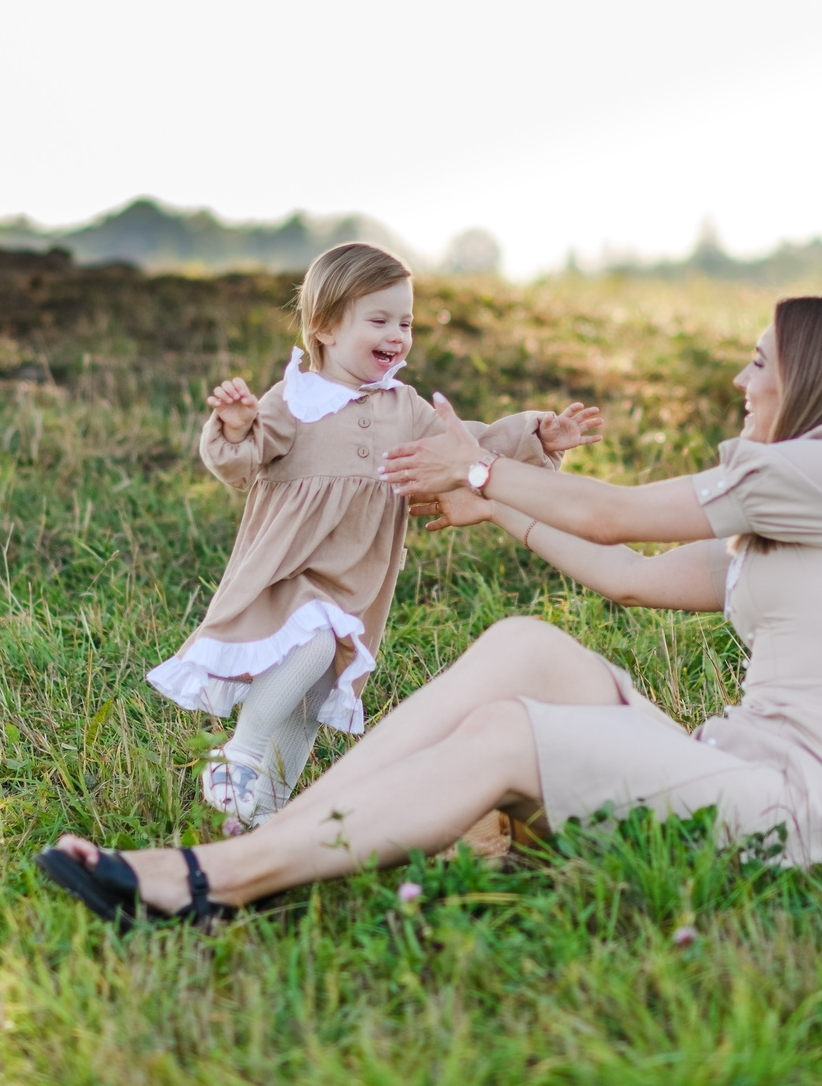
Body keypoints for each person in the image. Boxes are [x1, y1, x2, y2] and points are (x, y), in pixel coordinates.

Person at [38, 295, 822, 927]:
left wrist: (479, 468)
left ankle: (215, 880)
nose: (741, 374)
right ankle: (287, 833)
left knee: (507, 730)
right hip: (732, 771)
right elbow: (628, 575)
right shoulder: (821, 499)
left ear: (814, 375)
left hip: (805, 817)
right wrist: (499, 507)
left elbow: (614, 512)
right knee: (524, 647)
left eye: (760, 360)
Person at [147, 241, 605, 824]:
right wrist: (236, 428)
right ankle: (239, 753)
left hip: (356, 579)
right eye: (380, 320)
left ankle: (267, 811)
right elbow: (243, 463)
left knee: (316, 691)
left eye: (406, 322)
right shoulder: (294, 399)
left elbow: (466, 440)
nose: (398, 334)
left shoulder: (403, 407)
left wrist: (536, 437)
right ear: (325, 328)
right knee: (312, 639)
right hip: (291, 569)